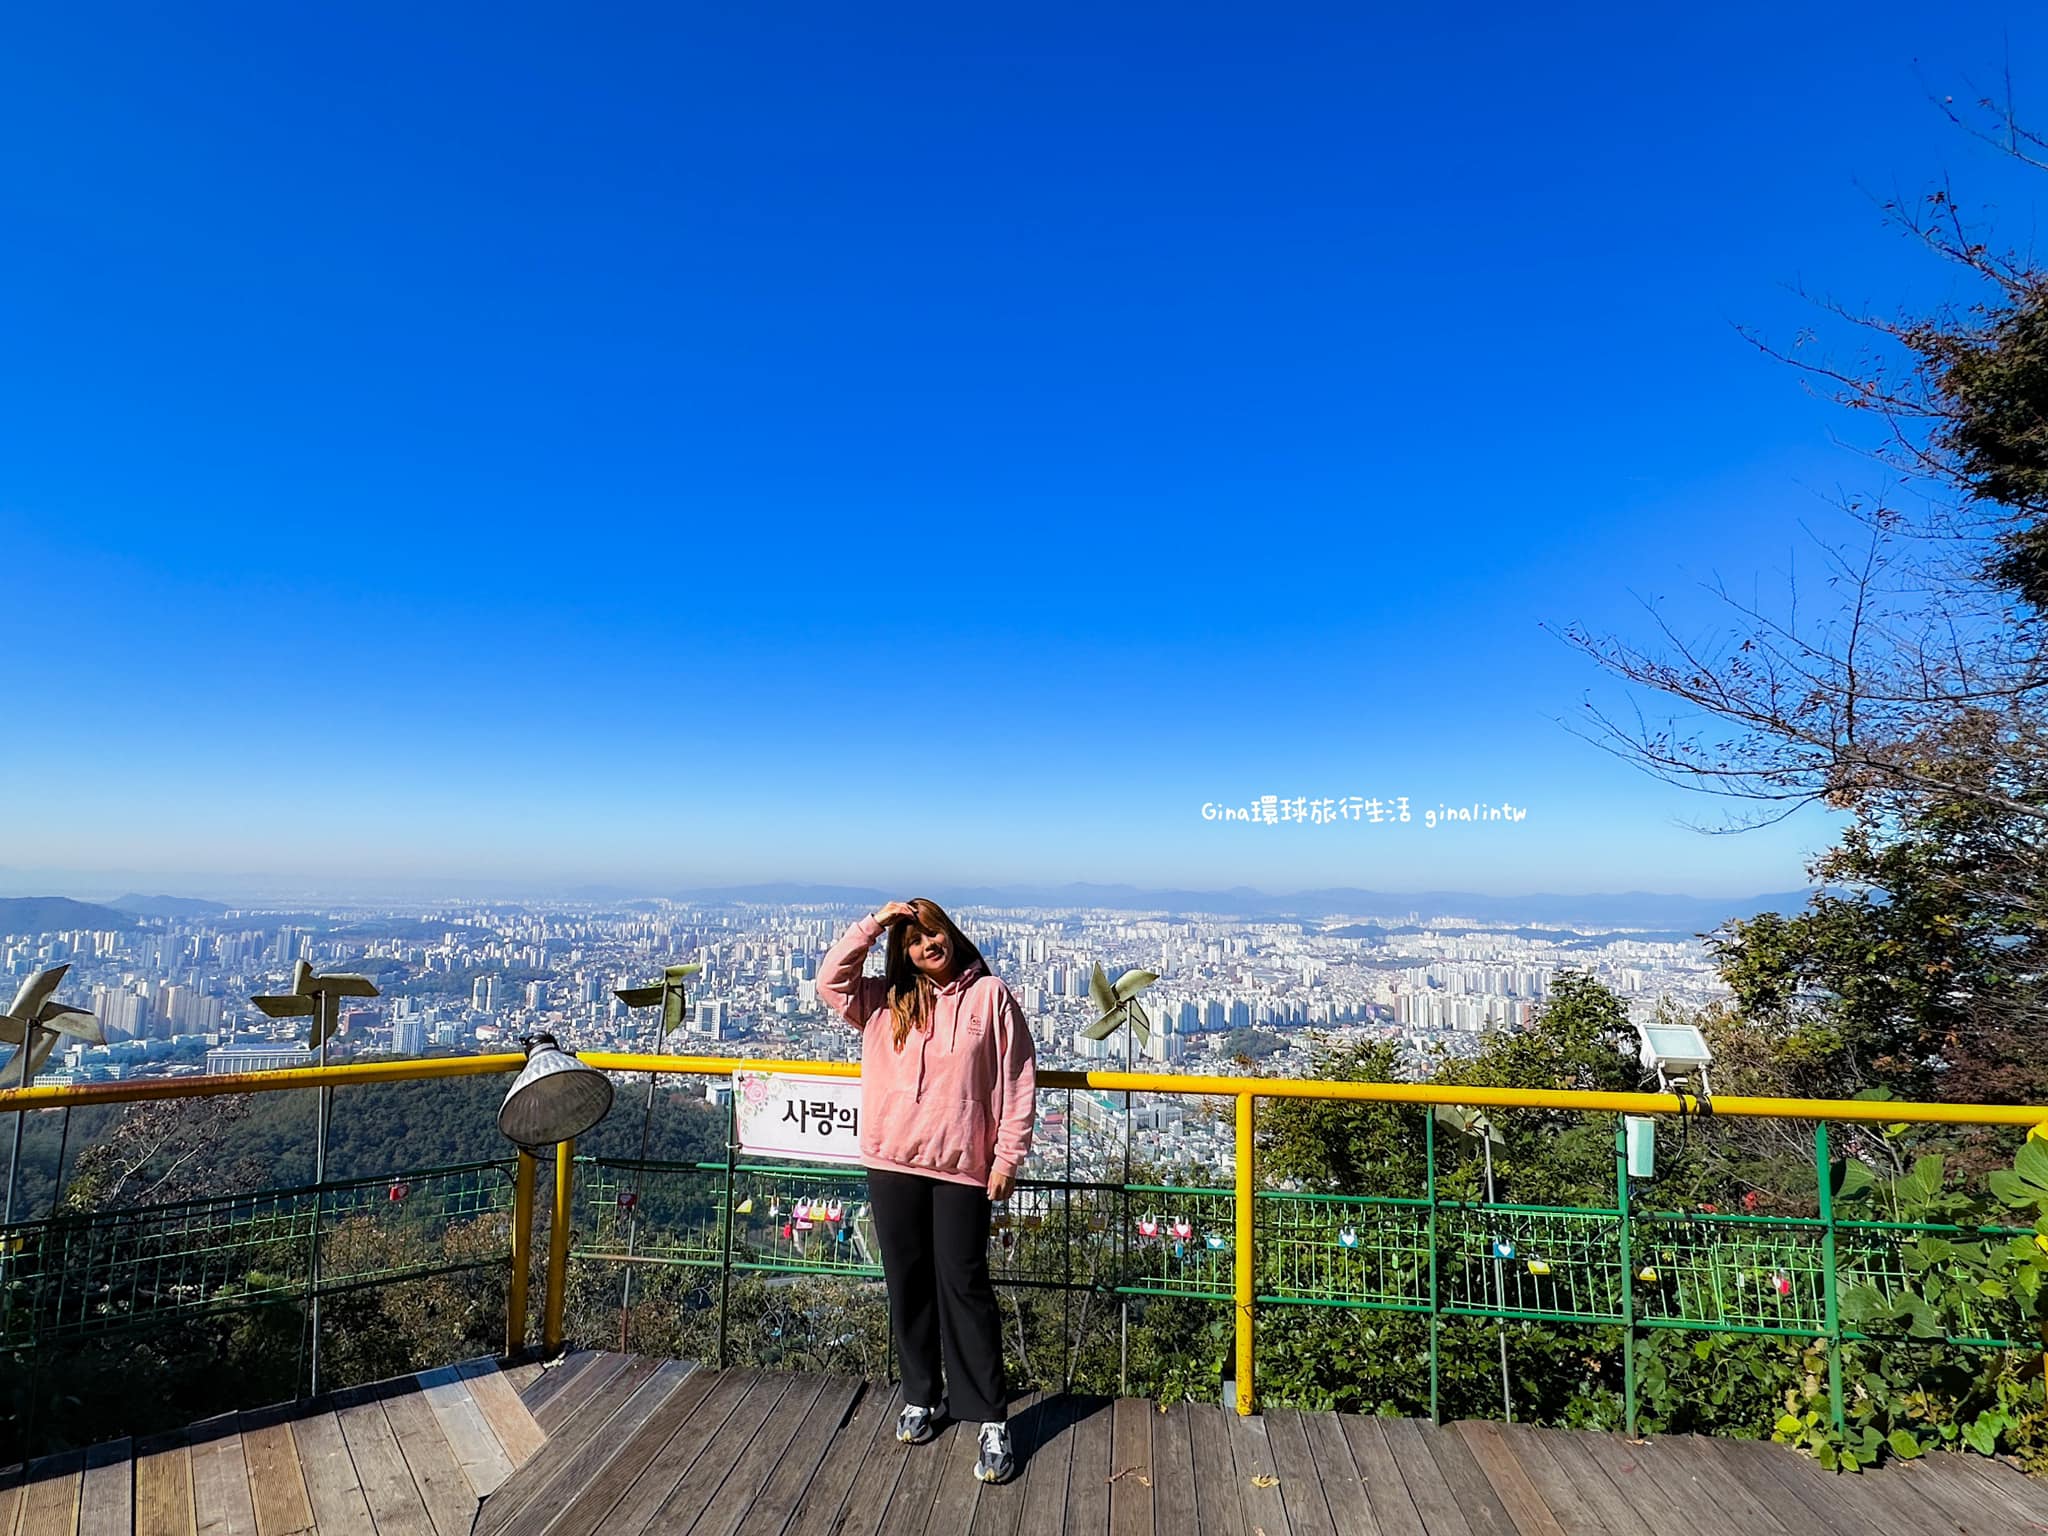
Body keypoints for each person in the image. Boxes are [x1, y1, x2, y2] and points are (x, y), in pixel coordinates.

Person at [816, 898, 1038, 1485]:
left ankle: (989, 1414)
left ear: (952, 935)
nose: (926, 946)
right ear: (903, 950)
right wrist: (874, 924)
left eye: (933, 934)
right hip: (892, 1159)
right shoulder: (888, 1001)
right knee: (907, 1282)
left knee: (964, 1285)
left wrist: (1008, 1157)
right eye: (914, 941)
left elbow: (1017, 1079)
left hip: (962, 1163)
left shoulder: (990, 996)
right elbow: (829, 980)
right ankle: (921, 1395)